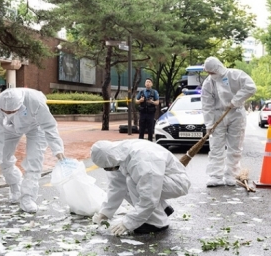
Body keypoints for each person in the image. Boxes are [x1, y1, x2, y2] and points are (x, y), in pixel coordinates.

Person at [0, 88, 65, 213]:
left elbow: (49, 126)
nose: (8, 113)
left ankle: (28, 198)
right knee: (3, 160)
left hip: (35, 127)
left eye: (12, 111)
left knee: (34, 161)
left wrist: (57, 149)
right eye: (5, 111)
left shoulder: (35, 101)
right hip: (9, 128)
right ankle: (14, 185)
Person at [90, 140, 190, 235]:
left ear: (112, 159)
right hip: (161, 180)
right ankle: (163, 209)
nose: (109, 169)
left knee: (131, 181)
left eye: (108, 167)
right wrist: (105, 213)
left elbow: (149, 195)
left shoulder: (142, 161)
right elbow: (116, 187)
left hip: (177, 183)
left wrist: (128, 222)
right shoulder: (118, 155)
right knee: (129, 181)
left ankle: (156, 223)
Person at [202, 56, 257, 187]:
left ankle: (231, 174)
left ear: (218, 68)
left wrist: (236, 100)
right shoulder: (208, 83)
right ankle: (215, 176)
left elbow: (251, 87)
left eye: (212, 72)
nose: (210, 75)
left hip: (236, 113)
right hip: (217, 115)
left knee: (235, 146)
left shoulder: (236, 75)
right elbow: (206, 105)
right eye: (208, 72)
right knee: (216, 146)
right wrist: (209, 124)